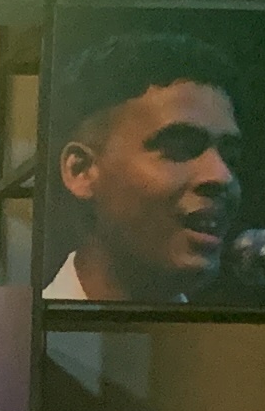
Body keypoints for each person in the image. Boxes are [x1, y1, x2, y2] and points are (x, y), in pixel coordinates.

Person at [42, 31, 247, 303]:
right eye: (178, 149)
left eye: (230, 157)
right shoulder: (15, 330)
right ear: (81, 170)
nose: (223, 176)